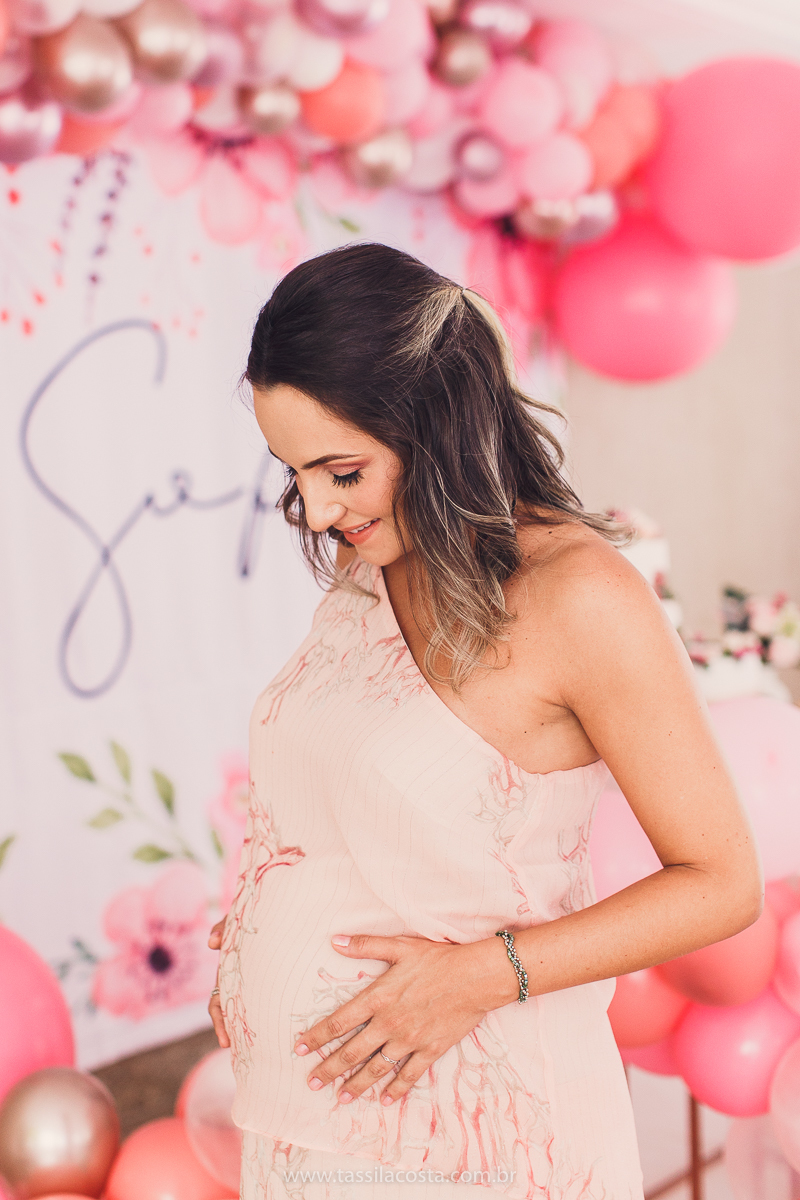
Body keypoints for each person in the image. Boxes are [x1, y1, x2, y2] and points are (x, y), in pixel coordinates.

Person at [208, 243, 761, 1200]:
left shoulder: (581, 598)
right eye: (293, 472)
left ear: (437, 422)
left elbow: (721, 884)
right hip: (307, 1124)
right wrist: (269, 909)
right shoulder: (374, 560)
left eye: (341, 469)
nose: (316, 505)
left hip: (482, 1142)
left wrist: (475, 976)